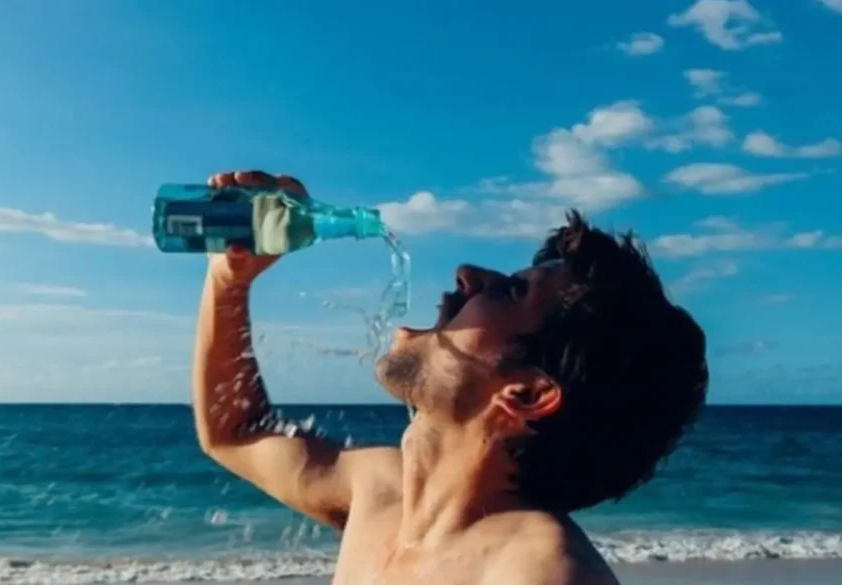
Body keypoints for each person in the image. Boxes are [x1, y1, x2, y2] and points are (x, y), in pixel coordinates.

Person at [192, 170, 709, 585]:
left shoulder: (537, 572)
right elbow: (234, 432)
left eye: (510, 292)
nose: (467, 273)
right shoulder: (381, 493)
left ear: (527, 394)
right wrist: (228, 279)